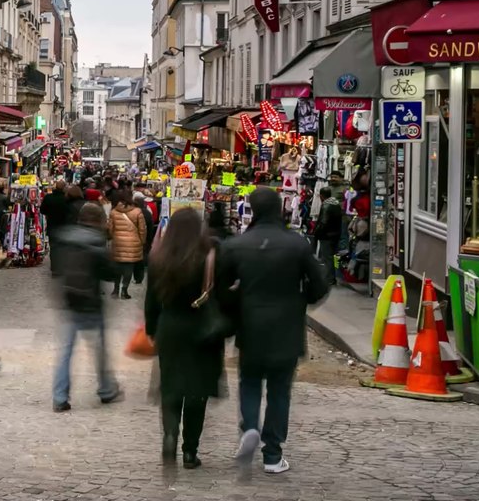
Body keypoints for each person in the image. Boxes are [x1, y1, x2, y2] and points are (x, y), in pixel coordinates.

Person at [222, 187, 330, 475]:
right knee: (280, 391)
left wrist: (238, 303)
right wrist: (300, 300)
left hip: (251, 325)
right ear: (280, 208)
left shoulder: (237, 245)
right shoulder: (297, 244)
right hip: (286, 327)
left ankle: (250, 428)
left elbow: (221, 287)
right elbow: (319, 285)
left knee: (250, 382)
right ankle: (273, 454)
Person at [145, 209, 226, 470]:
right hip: (200, 329)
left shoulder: (159, 257)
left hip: (170, 327)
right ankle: (190, 451)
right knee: (196, 391)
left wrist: (151, 329)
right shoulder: (208, 256)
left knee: (170, 387)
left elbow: (151, 300)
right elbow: (220, 297)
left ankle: (169, 436)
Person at [51, 202, 122, 412]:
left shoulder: (65, 237)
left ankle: (59, 396)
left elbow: (56, 269)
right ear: (98, 220)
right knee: (99, 349)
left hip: (69, 299)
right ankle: (106, 389)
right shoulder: (96, 242)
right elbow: (110, 273)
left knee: (65, 352)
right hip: (90, 302)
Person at [107, 192, 146, 299]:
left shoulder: (114, 212)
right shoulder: (138, 212)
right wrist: (141, 242)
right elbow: (142, 230)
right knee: (128, 268)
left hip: (118, 242)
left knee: (117, 267)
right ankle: (124, 291)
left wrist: (114, 237)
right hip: (133, 243)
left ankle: (115, 290)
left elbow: (110, 229)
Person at [312, 187, 344, 285]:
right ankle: (334, 277)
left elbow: (323, 222)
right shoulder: (336, 203)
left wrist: (316, 233)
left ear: (321, 196)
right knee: (333, 257)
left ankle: (329, 279)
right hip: (335, 234)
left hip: (326, 235)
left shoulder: (326, 205)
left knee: (327, 258)